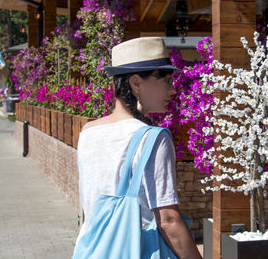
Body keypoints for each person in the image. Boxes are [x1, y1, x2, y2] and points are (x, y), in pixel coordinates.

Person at [76, 37, 202, 259]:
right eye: (166, 81)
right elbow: (168, 221)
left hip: (91, 251)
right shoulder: (153, 138)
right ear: (136, 83)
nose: (172, 90)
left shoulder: (87, 133)